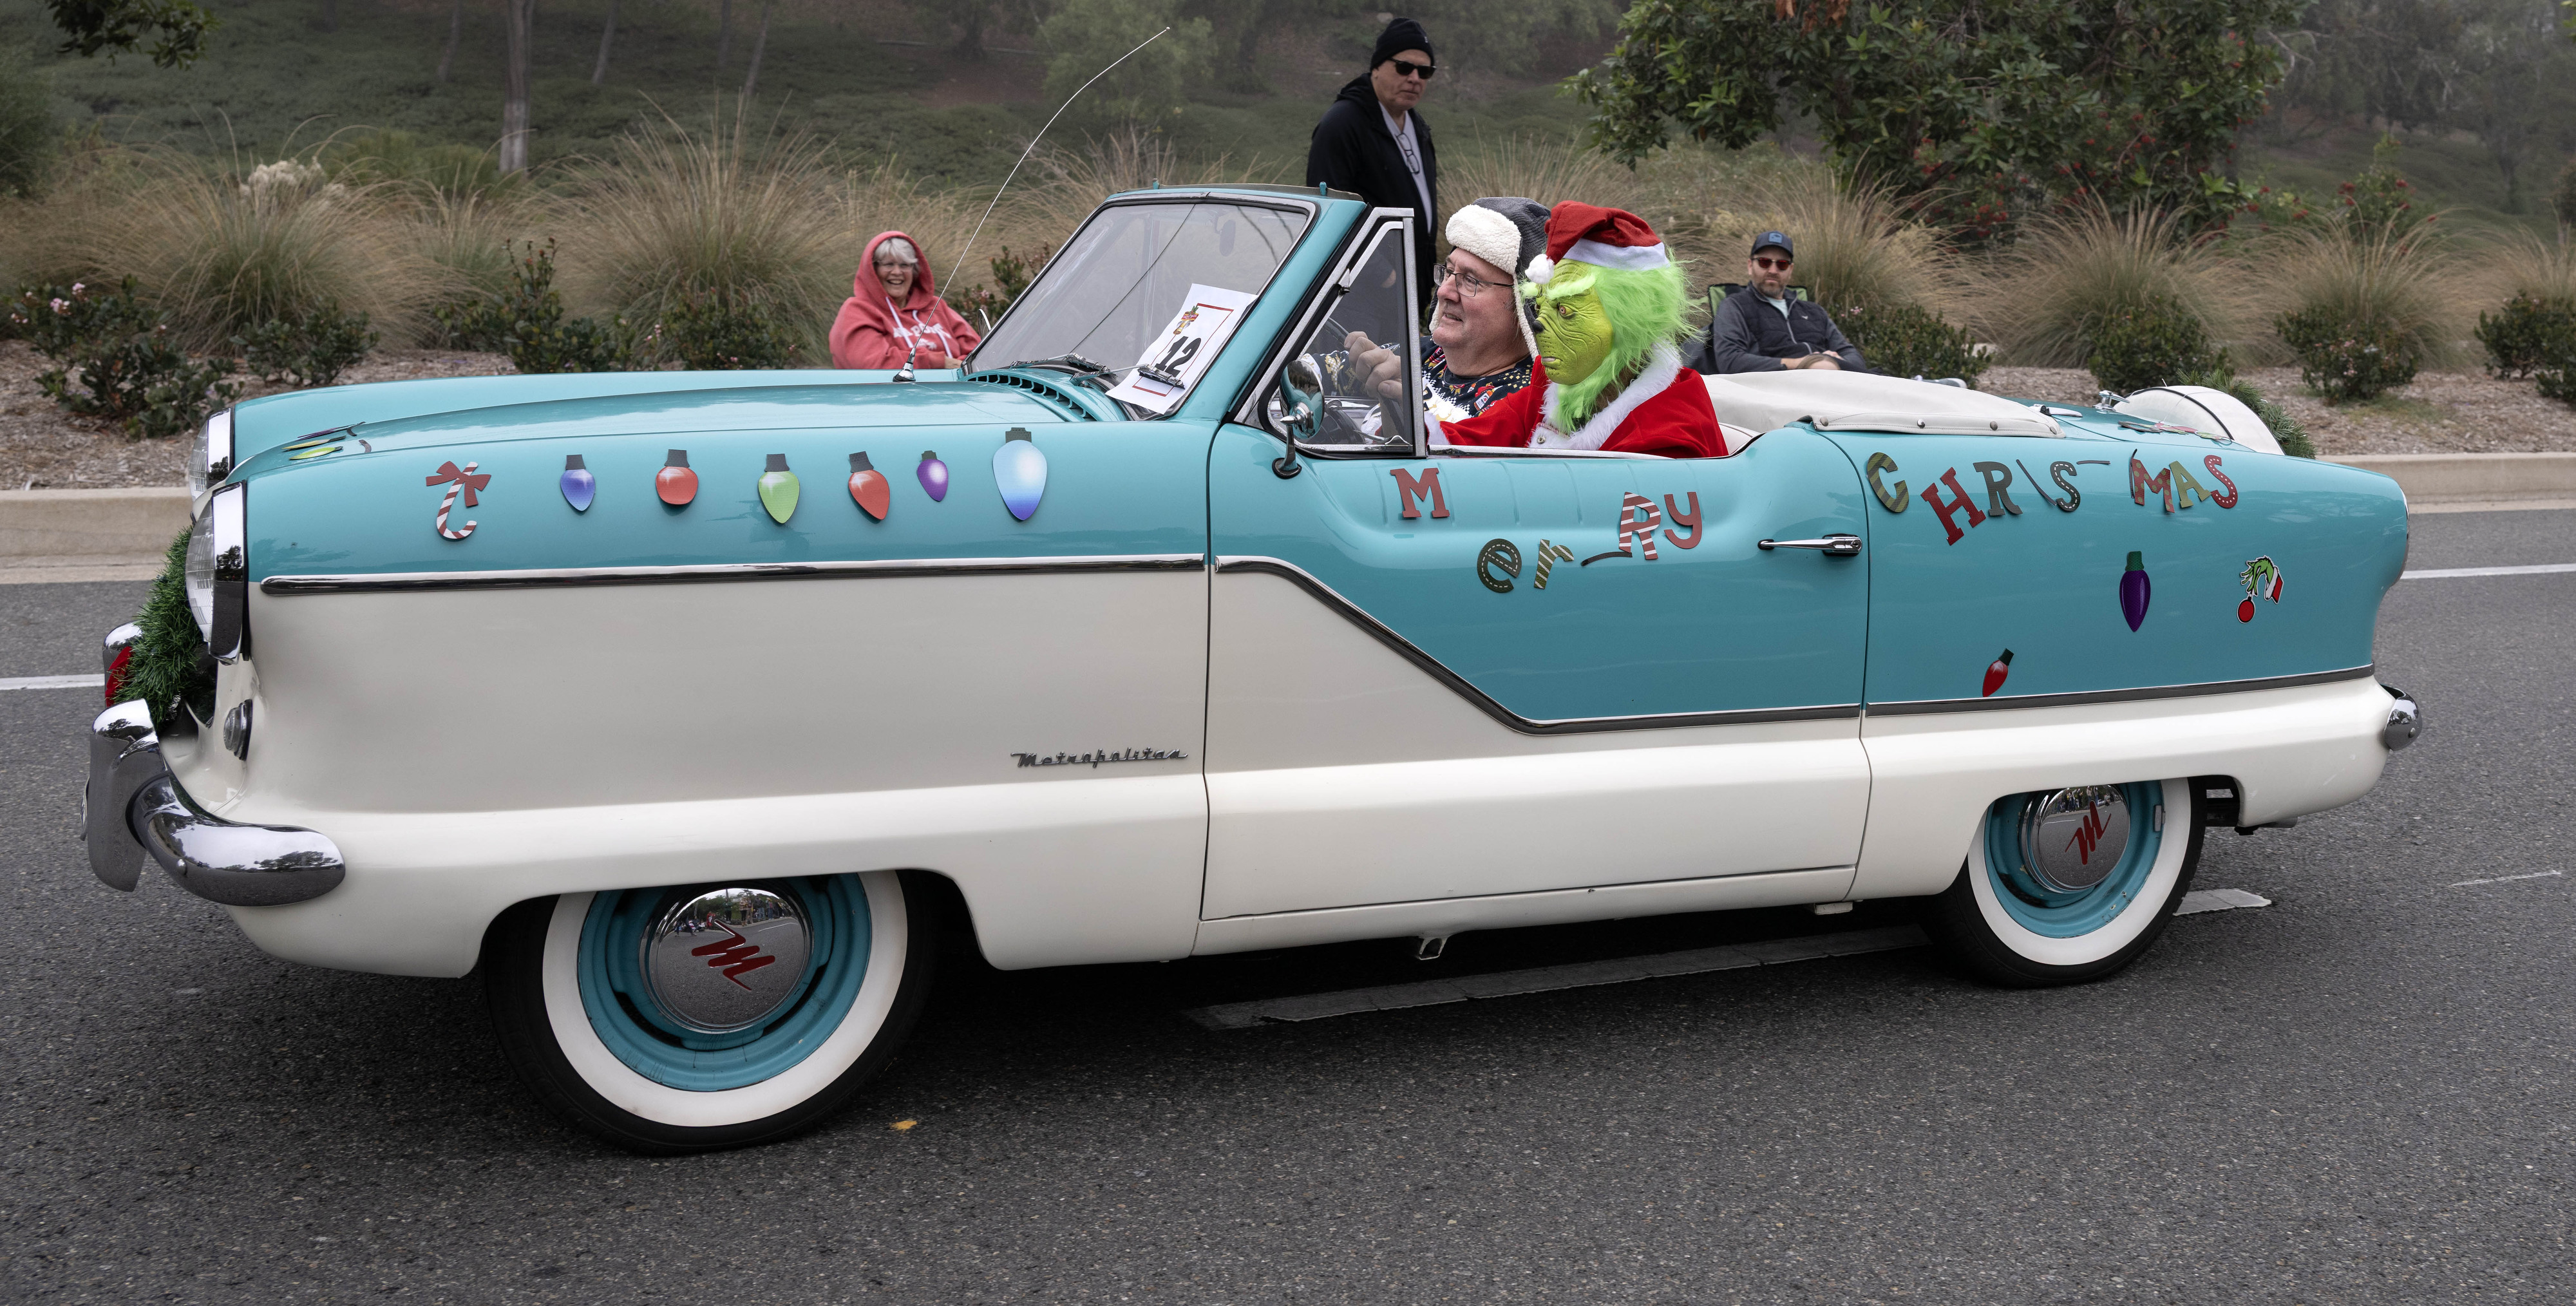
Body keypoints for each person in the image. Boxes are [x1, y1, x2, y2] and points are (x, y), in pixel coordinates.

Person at [1442, 204, 1727, 459]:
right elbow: (1473, 438)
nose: (1539, 325)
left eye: (1565, 311)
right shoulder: (1555, 382)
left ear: (1628, 320)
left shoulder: (1669, 436)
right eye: (1540, 307)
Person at [1306, 17, 1441, 296]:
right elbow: (1330, 210)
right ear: (1377, 67)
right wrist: (1383, 275)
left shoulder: (1417, 126)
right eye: (1404, 67)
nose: (1414, 78)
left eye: (1424, 71)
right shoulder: (1343, 124)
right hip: (1361, 293)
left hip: (1411, 288)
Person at [1687, 231, 1866, 375]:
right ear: (1750, 266)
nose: (1773, 270)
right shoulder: (1735, 306)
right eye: (1764, 262)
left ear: (1791, 270)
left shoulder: (1814, 311)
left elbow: (1855, 359)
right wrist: (1803, 364)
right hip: (1777, 389)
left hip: (1833, 381)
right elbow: (1730, 361)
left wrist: (1831, 363)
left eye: (1781, 264)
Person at [829, 232, 981, 371]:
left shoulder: (936, 306)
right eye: (888, 264)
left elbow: (979, 353)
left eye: (904, 265)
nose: (897, 272)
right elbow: (873, 364)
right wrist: (938, 362)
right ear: (873, 270)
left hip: (952, 394)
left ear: (914, 270)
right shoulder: (857, 310)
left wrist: (959, 367)